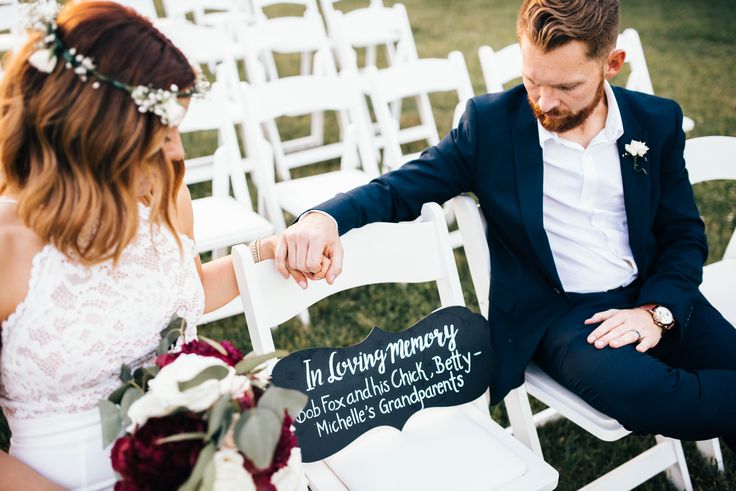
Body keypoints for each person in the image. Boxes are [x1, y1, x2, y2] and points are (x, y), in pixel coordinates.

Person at [275, 0, 736, 447]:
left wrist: (657, 312)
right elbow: (399, 188)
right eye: (533, 80)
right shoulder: (489, 125)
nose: (545, 101)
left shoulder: (656, 121)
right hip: (563, 313)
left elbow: (683, 235)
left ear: (612, 63)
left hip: (653, 291)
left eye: (567, 87)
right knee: (644, 394)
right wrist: (324, 217)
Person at [0, 2, 315, 489]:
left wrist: (264, 252)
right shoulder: (8, 246)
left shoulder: (165, 195)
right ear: (98, 130)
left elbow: (182, 294)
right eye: (162, 132)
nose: (178, 152)